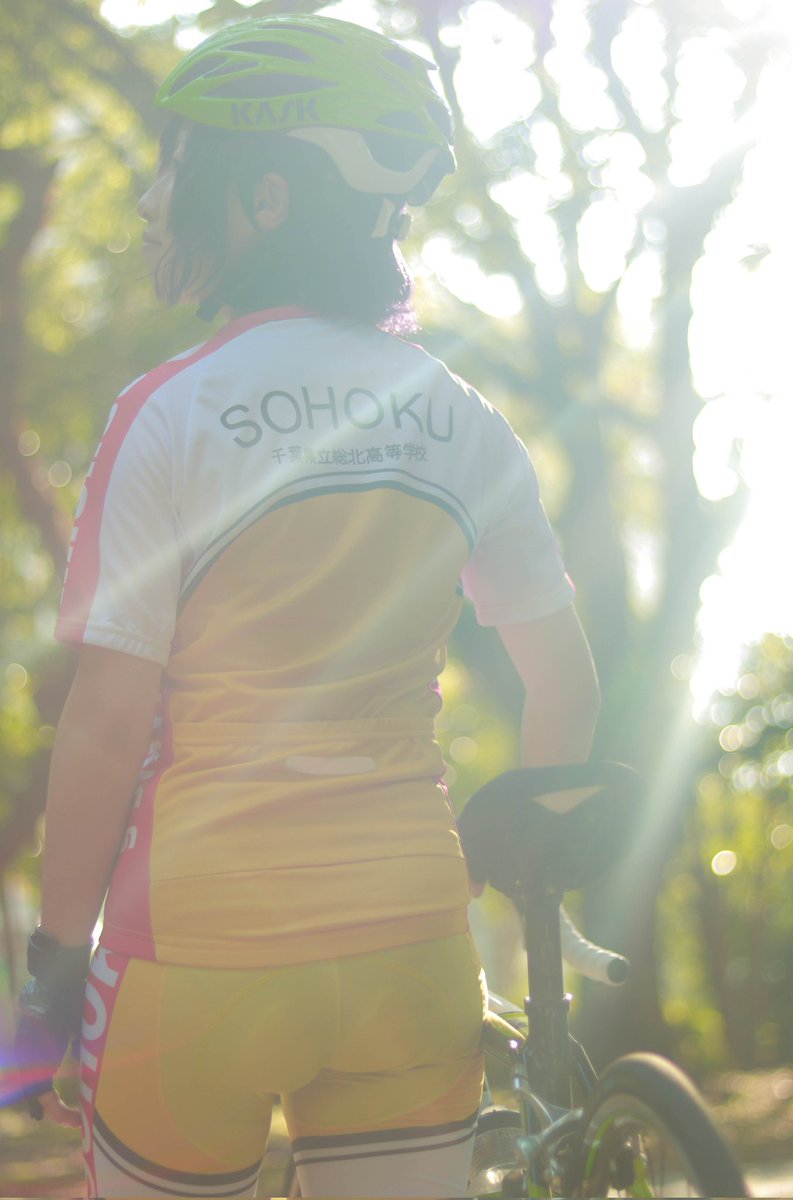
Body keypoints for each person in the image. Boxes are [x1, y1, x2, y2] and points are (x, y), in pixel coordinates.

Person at [14, 14, 600, 1199]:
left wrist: (56, 962)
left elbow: (109, 722)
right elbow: (566, 687)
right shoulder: (464, 418)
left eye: (179, 167)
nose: (154, 202)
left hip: (195, 955)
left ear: (266, 198)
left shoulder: (166, 412)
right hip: (411, 946)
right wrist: (524, 875)